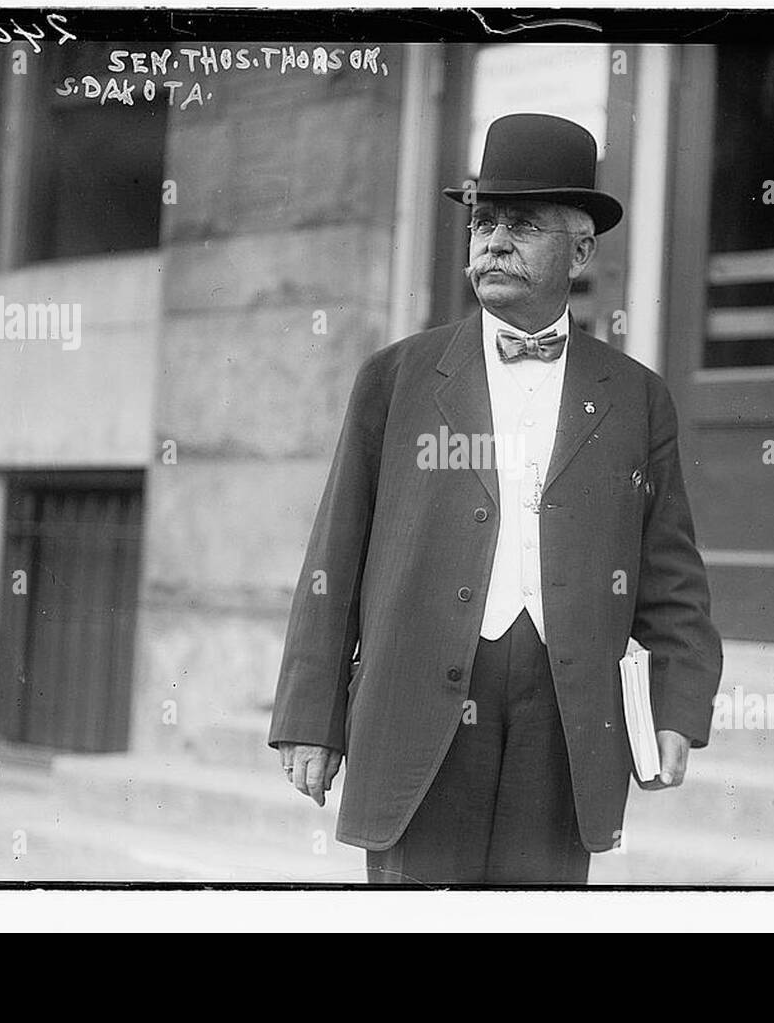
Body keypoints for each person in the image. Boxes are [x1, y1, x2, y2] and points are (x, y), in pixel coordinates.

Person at [269, 113, 723, 885]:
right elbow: (334, 555)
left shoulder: (637, 399)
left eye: (522, 224)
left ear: (580, 249)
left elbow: (670, 571)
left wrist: (679, 706)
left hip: (564, 711)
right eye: (483, 222)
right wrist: (309, 718)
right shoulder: (397, 379)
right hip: (420, 701)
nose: (493, 242)